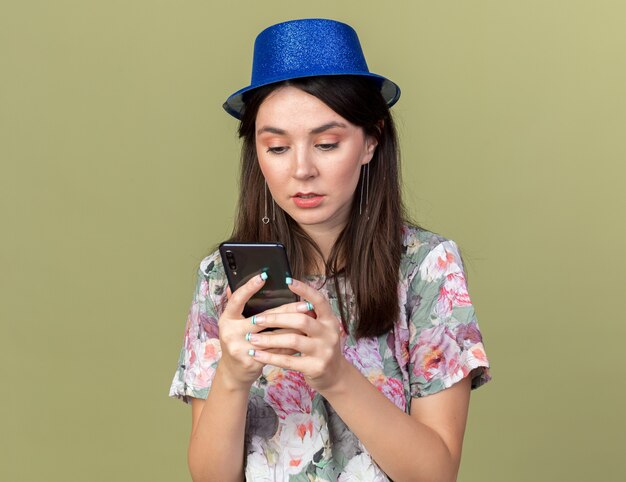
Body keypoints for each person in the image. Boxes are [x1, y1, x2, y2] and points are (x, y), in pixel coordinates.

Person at [169, 18, 490, 482]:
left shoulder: (426, 267)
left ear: (371, 140)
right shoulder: (222, 279)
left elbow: (435, 474)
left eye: (326, 143)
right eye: (277, 147)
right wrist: (233, 379)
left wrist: (336, 376)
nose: (301, 169)